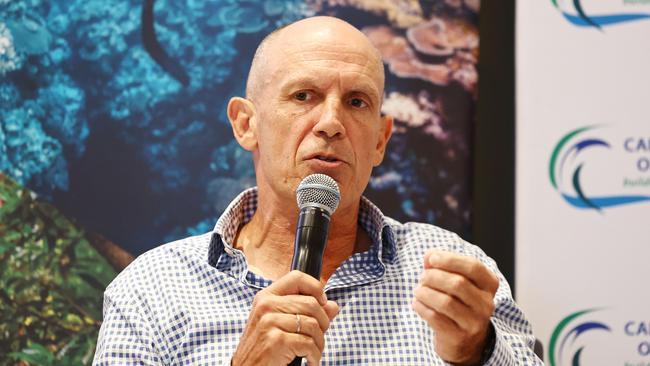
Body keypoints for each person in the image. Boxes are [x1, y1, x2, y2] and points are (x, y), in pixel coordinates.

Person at [93, 16, 542, 365]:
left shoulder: (450, 273)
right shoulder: (152, 290)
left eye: (356, 102)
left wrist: (474, 352)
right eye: (304, 96)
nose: (331, 123)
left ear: (381, 140)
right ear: (246, 123)